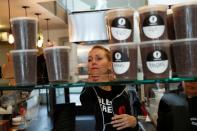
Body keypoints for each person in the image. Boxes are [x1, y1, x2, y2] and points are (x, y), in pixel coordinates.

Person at [80, 45, 138, 131]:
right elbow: (86, 103)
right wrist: (89, 83)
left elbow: (139, 117)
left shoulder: (123, 90)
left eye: (98, 58)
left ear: (110, 65)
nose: (93, 62)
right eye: (89, 60)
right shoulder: (89, 90)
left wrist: (134, 121)